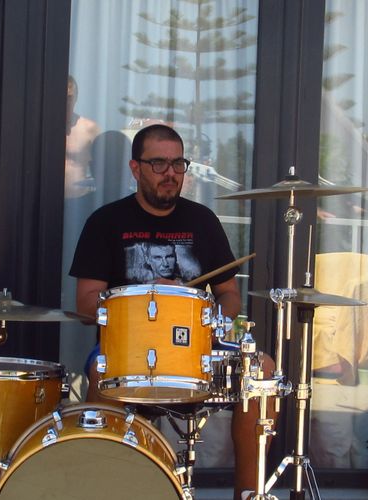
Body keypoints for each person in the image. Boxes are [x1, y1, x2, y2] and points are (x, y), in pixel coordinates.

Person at [70, 124, 275, 499]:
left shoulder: (203, 221)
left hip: (196, 348)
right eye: (159, 164)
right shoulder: (106, 222)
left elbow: (229, 294)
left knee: (262, 370)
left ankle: (249, 493)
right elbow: (85, 303)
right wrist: (145, 296)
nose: (171, 173)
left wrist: (212, 318)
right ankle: (107, 489)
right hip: (127, 350)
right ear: (136, 168)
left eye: (178, 164)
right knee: (100, 369)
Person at [65, 75, 102, 199]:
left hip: (79, 200)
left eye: (69, 97)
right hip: (46, 199)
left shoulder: (89, 128)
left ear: (76, 98)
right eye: (63, 97)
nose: (67, 102)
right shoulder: (45, 128)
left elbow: (102, 167)